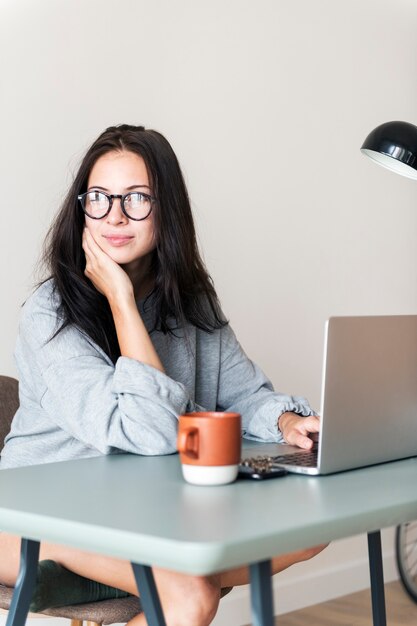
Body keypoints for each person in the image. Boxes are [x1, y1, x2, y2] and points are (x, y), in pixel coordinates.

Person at [0, 124, 324, 625]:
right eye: (100, 198)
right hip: (28, 513)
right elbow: (147, 433)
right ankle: (167, 577)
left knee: (307, 533)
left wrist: (284, 420)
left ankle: (163, 574)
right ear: (81, 206)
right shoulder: (51, 312)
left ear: (166, 210)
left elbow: (242, 393)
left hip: (133, 512)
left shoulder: (190, 302)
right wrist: (122, 302)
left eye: (136, 199)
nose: (114, 216)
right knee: (193, 593)